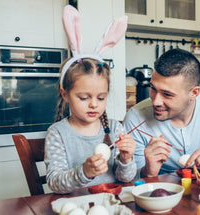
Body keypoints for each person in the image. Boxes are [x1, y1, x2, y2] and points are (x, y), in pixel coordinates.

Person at [45, 5, 136, 194]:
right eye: (84, 97)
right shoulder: (58, 133)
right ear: (65, 94)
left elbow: (126, 178)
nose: (94, 104)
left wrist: (126, 159)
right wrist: (84, 172)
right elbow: (54, 183)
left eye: (101, 97)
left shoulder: (115, 128)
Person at [124, 48, 200, 178]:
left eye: (167, 94)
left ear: (194, 93)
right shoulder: (135, 118)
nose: (156, 101)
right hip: (160, 191)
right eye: (153, 88)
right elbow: (129, 180)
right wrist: (148, 171)